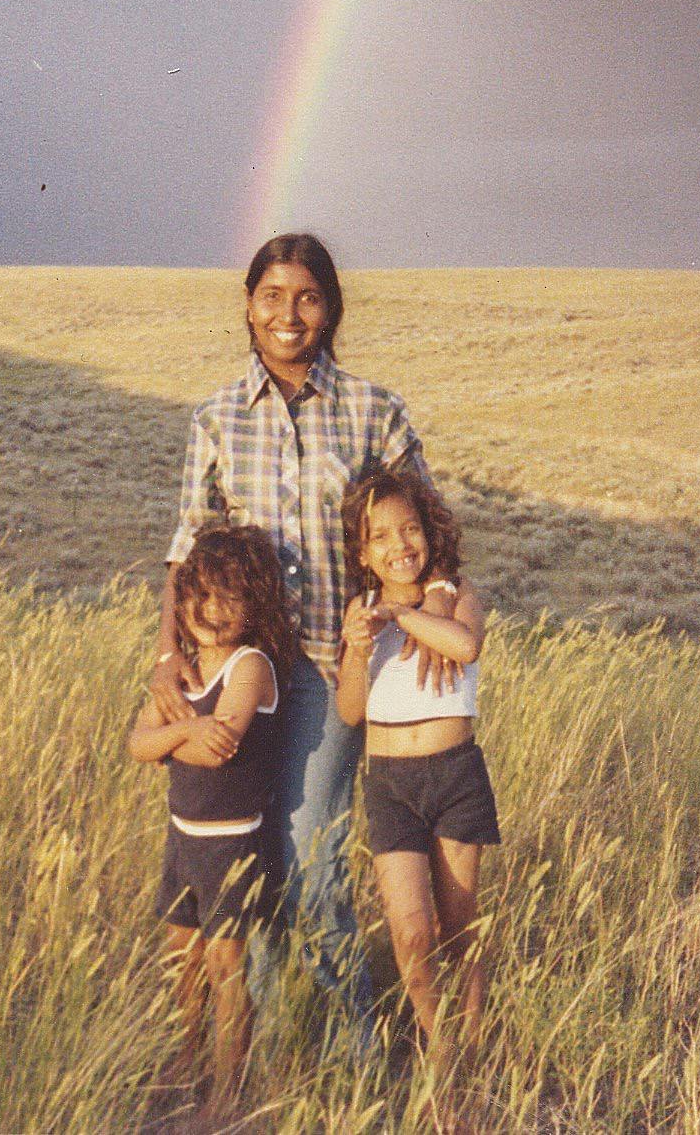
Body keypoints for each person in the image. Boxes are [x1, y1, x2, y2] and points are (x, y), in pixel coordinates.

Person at [148, 232, 457, 1033]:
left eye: (308, 296)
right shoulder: (215, 417)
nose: (289, 314)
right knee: (250, 858)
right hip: (240, 676)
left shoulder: (372, 409)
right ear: (248, 306)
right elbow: (187, 550)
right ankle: (275, 1044)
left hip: (328, 670)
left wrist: (434, 614)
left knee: (311, 853)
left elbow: (426, 529)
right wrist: (165, 656)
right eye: (272, 295)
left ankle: (358, 1047)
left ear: (332, 308)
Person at [336, 468, 500, 1081]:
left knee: (458, 924)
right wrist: (357, 644)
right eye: (381, 536)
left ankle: (477, 1043)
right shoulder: (360, 612)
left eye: (410, 529)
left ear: (429, 532)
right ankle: (441, 1045)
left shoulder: (457, 593)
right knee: (412, 932)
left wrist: (403, 615)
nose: (400, 545)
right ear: (362, 551)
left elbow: (465, 647)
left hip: (454, 774)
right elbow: (351, 710)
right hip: (390, 786)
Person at [128, 524, 295, 1122]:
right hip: (184, 836)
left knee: (226, 967)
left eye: (231, 598)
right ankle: (188, 1054)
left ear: (256, 606)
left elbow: (217, 748)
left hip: (230, 841)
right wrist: (185, 731)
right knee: (183, 955)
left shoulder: (250, 667)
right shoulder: (185, 668)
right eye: (201, 595)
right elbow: (137, 744)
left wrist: (179, 736)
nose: (213, 610)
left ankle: (227, 1089)